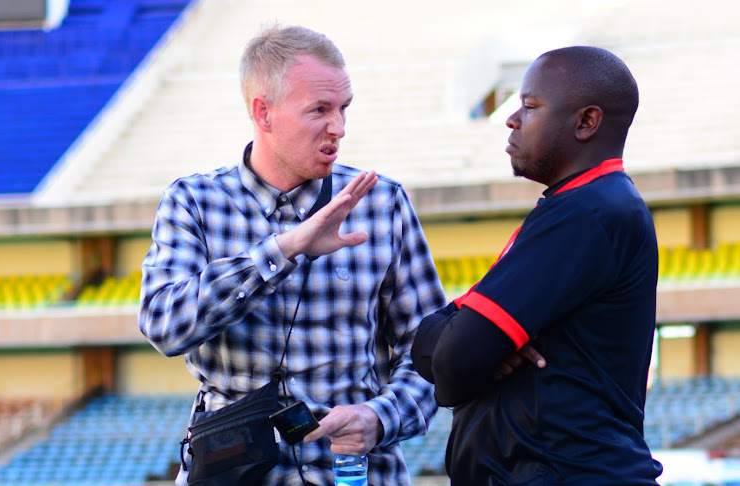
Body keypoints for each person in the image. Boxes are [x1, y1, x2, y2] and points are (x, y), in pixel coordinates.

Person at [138, 24, 448, 485]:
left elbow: (430, 352)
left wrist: (380, 417)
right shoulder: (194, 201)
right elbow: (164, 324)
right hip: (233, 472)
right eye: (319, 110)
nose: (338, 128)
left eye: (343, 109)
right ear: (263, 113)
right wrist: (285, 248)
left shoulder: (381, 203)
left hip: (354, 472)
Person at [411, 46, 664, 485]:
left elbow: (454, 360)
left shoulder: (586, 212)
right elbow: (440, 343)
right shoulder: (586, 205)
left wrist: (462, 343)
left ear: (586, 122)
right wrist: (461, 340)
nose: (511, 119)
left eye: (529, 106)